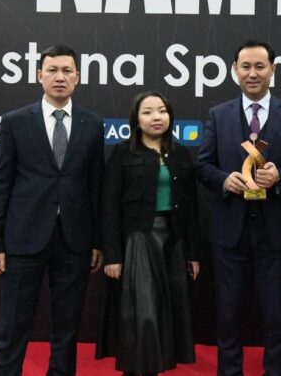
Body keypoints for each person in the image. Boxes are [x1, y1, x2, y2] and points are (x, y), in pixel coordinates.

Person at [195, 40, 281, 376]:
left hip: (276, 234)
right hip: (229, 234)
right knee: (228, 317)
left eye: (260, 66)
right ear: (235, 70)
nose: (253, 73)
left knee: (277, 316)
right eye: (246, 66)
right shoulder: (218, 115)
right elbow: (203, 166)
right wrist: (224, 180)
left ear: (273, 70)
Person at [0, 44, 104, 375]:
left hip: (75, 242)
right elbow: (0, 185)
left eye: (67, 71)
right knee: (12, 327)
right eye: (52, 70)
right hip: (23, 240)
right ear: (40, 76)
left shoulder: (93, 124)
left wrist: (97, 240)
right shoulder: (15, 122)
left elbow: (96, 187)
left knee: (67, 330)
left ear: (78, 77)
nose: (59, 77)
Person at [96, 91, 200, 376]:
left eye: (162, 111)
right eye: (148, 112)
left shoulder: (181, 153)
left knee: (168, 314)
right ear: (136, 119)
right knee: (144, 315)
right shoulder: (123, 153)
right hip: (138, 238)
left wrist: (193, 253)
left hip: (173, 240)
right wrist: (112, 256)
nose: (157, 117)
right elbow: (109, 207)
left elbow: (192, 209)